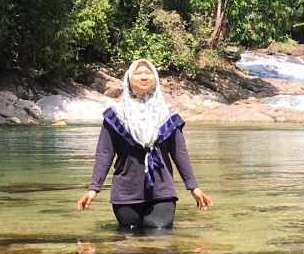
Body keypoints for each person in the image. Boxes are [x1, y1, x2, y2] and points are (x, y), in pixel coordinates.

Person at [77, 58, 212, 229]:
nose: (144, 76)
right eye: (138, 73)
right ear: (128, 79)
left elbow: (180, 153)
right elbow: (105, 153)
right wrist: (93, 188)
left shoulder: (168, 115)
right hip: (126, 192)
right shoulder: (115, 115)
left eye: (148, 73)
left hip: (162, 190)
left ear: (155, 78)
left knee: (159, 234)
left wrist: (193, 187)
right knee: (130, 242)